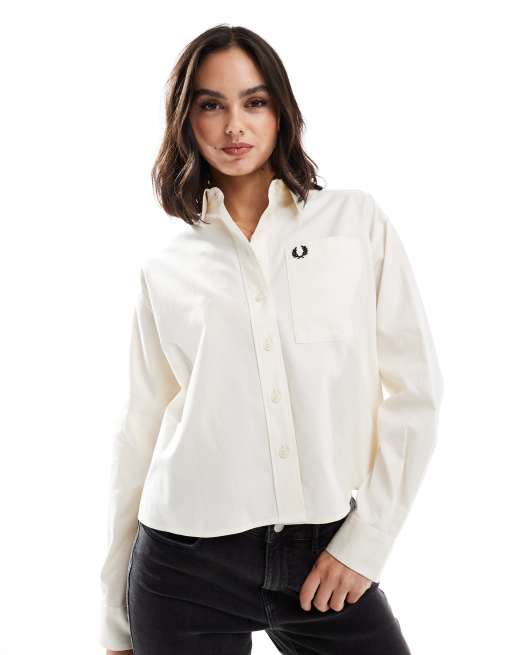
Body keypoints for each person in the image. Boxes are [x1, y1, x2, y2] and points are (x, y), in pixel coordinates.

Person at [99, 24, 443, 655]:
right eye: (212, 105)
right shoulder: (167, 269)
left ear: (281, 111)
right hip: (184, 566)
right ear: (186, 121)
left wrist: (367, 542)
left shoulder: (354, 223)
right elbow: (140, 432)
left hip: (326, 557)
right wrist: (113, 621)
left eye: (254, 102)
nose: (235, 126)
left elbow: (417, 392)